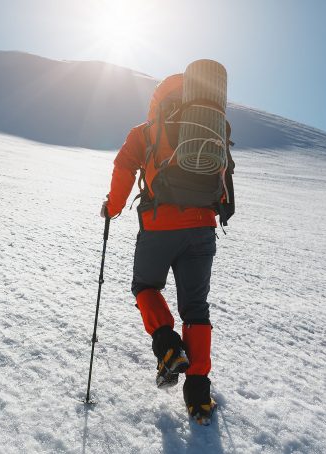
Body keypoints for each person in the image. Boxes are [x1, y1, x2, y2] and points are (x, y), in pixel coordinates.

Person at [101, 73, 220, 425]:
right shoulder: (209, 129)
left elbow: (124, 167)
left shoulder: (146, 130)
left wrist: (113, 206)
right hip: (202, 227)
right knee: (196, 309)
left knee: (146, 287)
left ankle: (167, 346)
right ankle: (198, 396)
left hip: (159, 225)